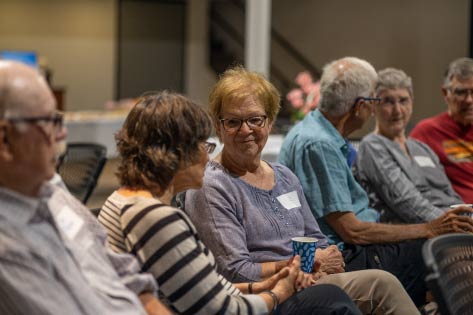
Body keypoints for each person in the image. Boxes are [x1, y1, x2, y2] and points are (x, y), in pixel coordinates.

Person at [98, 91, 361, 315]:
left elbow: (209, 287)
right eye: (202, 144)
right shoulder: (155, 217)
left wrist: (270, 281)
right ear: (173, 154)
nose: (207, 155)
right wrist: (280, 290)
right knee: (332, 301)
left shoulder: (125, 198)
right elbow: (222, 310)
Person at [184, 66, 421, 315]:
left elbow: (318, 240)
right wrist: (301, 267)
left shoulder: (284, 176)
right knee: (356, 292)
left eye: (255, 119)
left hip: (308, 279)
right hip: (264, 292)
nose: (246, 130)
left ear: (270, 121)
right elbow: (234, 269)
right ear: (218, 126)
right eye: (233, 122)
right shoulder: (212, 185)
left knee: (384, 280)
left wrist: (320, 262)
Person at [278, 57, 473, 307]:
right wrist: (430, 228)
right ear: (360, 106)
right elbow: (353, 230)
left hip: (358, 243)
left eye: (403, 100)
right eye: (376, 100)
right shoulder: (320, 143)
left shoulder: (322, 134)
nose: (381, 108)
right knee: (438, 251)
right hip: (345, 252)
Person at [0, 61, 170, 314]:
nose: (62, 134)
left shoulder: (55, 195)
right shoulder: (8, 245)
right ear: (5, 140)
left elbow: (123, 272)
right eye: (48, 122)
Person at [354, 67, 463, 223]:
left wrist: (467, 216)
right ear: (373, 107)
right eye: (388, 102)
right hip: (419, 234)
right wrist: (455, 225)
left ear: (412, 103)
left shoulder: (423, 148)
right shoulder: (372, 146)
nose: (397, 110)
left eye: (403, 101)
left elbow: (451, 195)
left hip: (453, 228)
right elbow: (407, 204)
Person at [410, 57, 473, 203]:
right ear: (446, 94)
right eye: (461, 92)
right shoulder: (426, 131)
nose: (469, 100)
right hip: (456, 214)